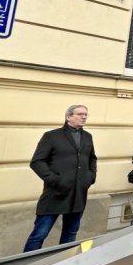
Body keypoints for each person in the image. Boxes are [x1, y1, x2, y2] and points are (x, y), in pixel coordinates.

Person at [24, 105, 97, 252]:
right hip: (55, 194)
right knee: (39, 235)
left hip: (78, 194)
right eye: (80, 114)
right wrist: (55, 180)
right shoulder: (52, 136)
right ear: (68, 117)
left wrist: (90, 177)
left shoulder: (87, 137)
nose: (84, 117)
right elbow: (37, 162)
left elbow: (92, 159)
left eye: (86, 115)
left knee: (70, 235)